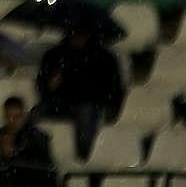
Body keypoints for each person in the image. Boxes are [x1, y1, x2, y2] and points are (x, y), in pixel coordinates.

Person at [36, 29, 125, 159]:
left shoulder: (103, 57)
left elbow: (113, 88)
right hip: (59, 102)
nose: (78, 36)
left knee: (86, 114)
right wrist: (51, 83)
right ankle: (39, 157)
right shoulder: (55, 55)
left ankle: (84, 158)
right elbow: (43, 86)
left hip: (90, 104)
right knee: (34, 116)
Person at [0, 96, 57, 187]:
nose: (12, 121)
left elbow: (44, 167)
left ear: (23, 115)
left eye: (16, 117)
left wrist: (13, 154)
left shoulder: (37, 137)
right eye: (8, 116)